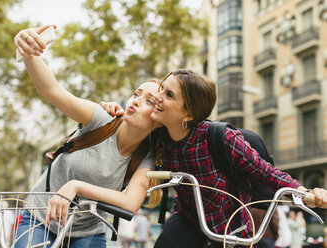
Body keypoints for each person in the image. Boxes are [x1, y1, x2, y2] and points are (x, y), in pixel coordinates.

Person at [100, 69, 327, 248]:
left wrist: (306, 192)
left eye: (168, 95)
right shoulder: (158, 135)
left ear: (188, 114)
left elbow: (266, 172)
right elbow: (128, 127)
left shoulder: (219, 137)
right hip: (188, 218)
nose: (157, 98)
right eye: (162, 89)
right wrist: (109, 112)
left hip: (231, 226)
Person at [13, 25, 162, 248]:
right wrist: (28, 51)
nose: (136, 100)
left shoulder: (146, 157)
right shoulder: (101, 119)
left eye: (149, 101)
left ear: (158, 119)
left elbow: (130, 203)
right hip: (40, 218)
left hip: (87, 232)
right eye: (136, 94)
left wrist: (76, 186)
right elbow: (52, 90)